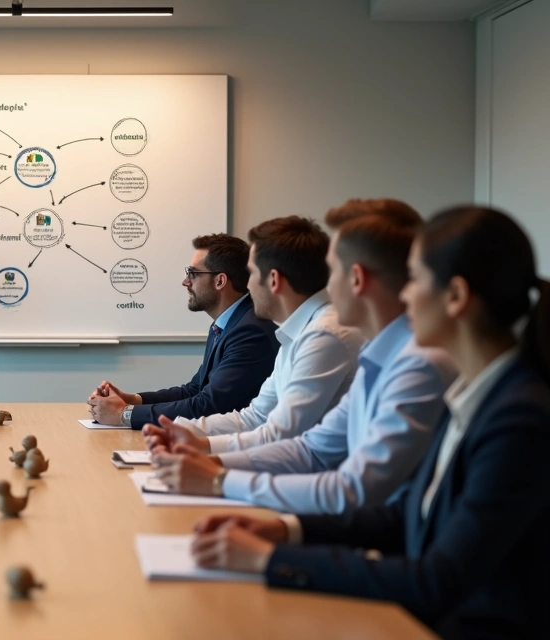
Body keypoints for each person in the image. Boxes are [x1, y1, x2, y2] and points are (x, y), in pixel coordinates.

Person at [188, 206, 550, 639]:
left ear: (455, 296)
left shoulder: (519, 418)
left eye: (415, 279)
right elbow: (405, 515)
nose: (405, 294)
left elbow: (438, 580)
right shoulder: (477, 394)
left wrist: (269, 559)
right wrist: (285, 530)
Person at [151, 199, 456, 515]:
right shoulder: (369, 351)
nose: (326, 284)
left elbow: (353, 487)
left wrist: (217, 477)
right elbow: (309, 447)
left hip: (362, 526)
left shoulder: (354, 342)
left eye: (333, 270)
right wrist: (204, 454)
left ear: (356, 279)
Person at [144, 216, 363, 454]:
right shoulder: (299, 332)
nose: (247, 286)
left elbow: (282, 435)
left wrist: (211, 463)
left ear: (273, 280)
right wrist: (184, 434)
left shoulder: (324, 335)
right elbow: (255, 417)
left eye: (252, 274)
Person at [88, 233, 279, 428]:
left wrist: (123, 414)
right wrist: (133, 400)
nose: (185, 282)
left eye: (193, 273)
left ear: (220, 281)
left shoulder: (250, 331)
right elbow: (194, 390)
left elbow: (209, 406)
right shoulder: (227, 324)